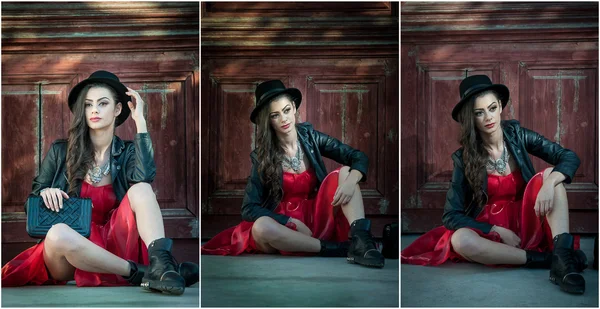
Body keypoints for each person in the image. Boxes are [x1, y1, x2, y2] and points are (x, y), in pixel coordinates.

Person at [1, 70, 198, 295]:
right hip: (73, 250)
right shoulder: (60, 151)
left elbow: (144, 178)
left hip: (117, 241)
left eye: (103, 103)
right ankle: (143, 273)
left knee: (141, 189)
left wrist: (140, 122)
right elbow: (31, 204)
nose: (94, 109)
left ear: (117, 109)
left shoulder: (127, 152)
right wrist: (45, 192)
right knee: (57, 233)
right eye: (88, 104)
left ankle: (162, 263)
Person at [401, 75, 587, 294]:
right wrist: (495, 229)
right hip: (493, 232)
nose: (488, 117)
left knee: (551, 176)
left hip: (529, 220)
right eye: (479, 113)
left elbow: (568, 157)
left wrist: (550, 182)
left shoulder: (518, 135)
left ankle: (563, 262)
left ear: (500, 106)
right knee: (460, 240)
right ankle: (545, 259)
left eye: (491, 108)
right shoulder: (463, 157)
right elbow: (451, 215)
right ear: (471, 118)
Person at [201, 80, 384, 268]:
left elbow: (357, 156)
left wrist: (350, 181)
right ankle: (335, 249)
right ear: (268, 120)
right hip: (285, 228)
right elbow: (249, 208)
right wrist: (290, 222)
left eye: (286, 110)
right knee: (261, 226)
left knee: (346, 171)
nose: (284, 119)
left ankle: (362, 242)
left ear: (294, 107)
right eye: (275, 115)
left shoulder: (312, 138)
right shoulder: (262, 157)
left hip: (317, 218)